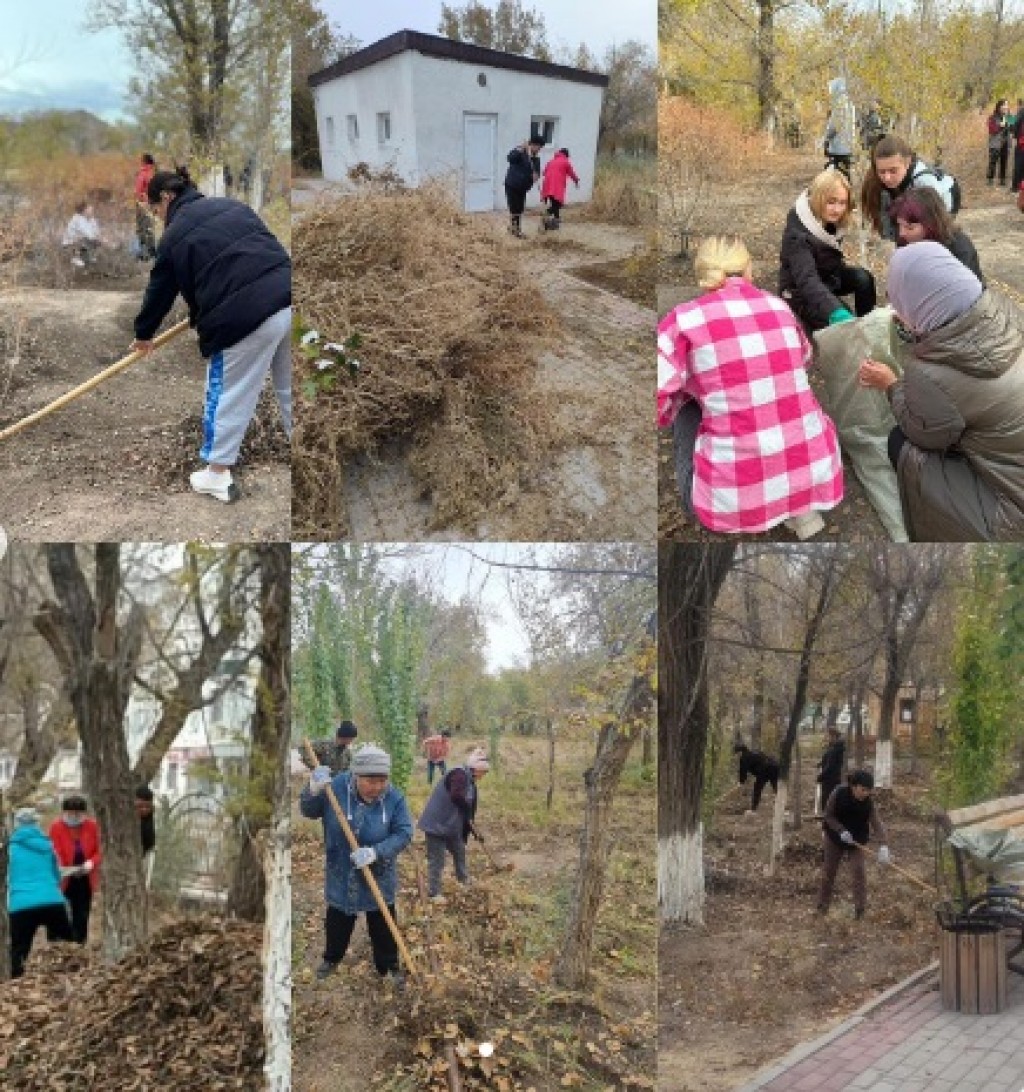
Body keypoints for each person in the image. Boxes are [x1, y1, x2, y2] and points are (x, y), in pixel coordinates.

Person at [658, 235, 844, 539]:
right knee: (779, 393)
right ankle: (799, 505)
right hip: (816, 466)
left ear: (704, 277)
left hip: (731, 497)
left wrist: (689, 392)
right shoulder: (780, 307)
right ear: (749, 271)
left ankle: (744, 497)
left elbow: (659, 401)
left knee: (684, 404)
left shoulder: (682, 320)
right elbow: (804, 359)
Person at [130, 167, 292, 503]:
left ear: (166, 198)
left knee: (227, 392)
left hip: (243, 317)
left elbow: (159, 291)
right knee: (291, 390)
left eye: (156, 210)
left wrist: (143, 334)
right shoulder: (235, 207)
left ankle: (216, 475)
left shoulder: (174, 235)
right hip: (289, 299)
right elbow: (259, 252)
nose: (159, 218)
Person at [859, 241, 1024, 540]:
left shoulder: (929, 375)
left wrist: (891, 384)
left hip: (1012, 509)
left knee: (900, 442)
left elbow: (923, 433)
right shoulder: (1008, 315)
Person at [299, 744, 413, 984]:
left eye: (382, 780)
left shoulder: (394, 798)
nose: (378, 787)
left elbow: (404, 833)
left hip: (378, 874)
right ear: (356, 775)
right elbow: (308, 810)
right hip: (341, 870)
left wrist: (376, 851)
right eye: (371, 781)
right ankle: (332, 958)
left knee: (382, 922)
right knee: (338, 920)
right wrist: (313, 788)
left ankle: (388, 965)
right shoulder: (335, 788)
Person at [779, 168, 877, 331]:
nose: (837, 209)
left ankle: (868, 329)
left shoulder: (827, 220)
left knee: (863, 279)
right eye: (831, 202)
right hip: (799, 293)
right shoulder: (798, 236)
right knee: (844, 322)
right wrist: (835, 310)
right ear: (818, 199)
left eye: (842, 202)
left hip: (826, 278)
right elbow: (807, 280)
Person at [8, 808, 74, 978]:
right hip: (52, 901)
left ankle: (15, 984)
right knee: (66, 947)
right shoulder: (47, 846)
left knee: (19, 950)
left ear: (16, 825)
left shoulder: (8, 849)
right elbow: (57, 875)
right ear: (36, 824)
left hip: (20, 905)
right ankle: (68, 979)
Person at [818, 769, 890, 919]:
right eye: (863, 790)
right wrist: (841, 830)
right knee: (829, 871)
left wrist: (883, 845)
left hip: (857, 840)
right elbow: (828, 816)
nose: (865, 793)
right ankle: (822, 906)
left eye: (868, 791)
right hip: (835, 837)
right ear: (854, 786)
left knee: (858, 871)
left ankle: (860, 909)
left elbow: (877, 823)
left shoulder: (868, 803)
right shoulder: (838, 793)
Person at [418, 748, 490, 898]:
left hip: (451, 827)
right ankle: (434, 892)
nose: (484, 776)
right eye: (484, 772)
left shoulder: (471, 783)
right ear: (476, 769)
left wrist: (474, 832)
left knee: (459, 851)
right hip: (436, 825)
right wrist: (467, 810)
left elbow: (468, 814)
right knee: (437, 860)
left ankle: (463, 880)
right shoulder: (459, 774)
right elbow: (457, 796)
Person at [861, 135, 959, 241]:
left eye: (893, 171)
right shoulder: (876, 182)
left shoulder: (924, 182)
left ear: (907, 163)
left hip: (945, 201)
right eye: (882, 171)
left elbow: (938, 225)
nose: (887, 178)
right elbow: (887, 229)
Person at [890, 187, 984, 283]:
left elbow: (965, 289)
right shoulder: (905, 241)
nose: (901, 233)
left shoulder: (959, 248)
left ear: (931, 224)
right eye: (899, 225)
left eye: (910, 228)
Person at [49, 796, 102, 945]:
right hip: (63, 875)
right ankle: (57, 943)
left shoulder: (92, 826)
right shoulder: (56, 827)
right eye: (70, 813)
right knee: (58, 911)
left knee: (81, 914)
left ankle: (79, 944)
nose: (73, 817)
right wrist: (64, 868)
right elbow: (54, 850)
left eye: (77, 814)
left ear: (84, 814)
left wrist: (91, 863)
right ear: (64, 813)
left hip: (85, 876)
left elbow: (100, 849)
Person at [504, 139, 542, 237]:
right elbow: (510, 158)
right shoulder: (520, 152)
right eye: (537, 146)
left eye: (540, 147)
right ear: (531, 145)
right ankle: (516, 230)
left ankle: (513, 228)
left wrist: (536, 176)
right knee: (514, 208)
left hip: (522, 187)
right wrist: (520, 149)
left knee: (520, 208)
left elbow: (537, 172)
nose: (538, 149)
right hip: (512, 185)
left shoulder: (536, 159)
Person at [540, 148, 579, 230]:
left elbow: (544, 172)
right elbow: (571, 173)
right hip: (556, 186)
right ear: (566, 155)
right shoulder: (565, 162)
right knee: (558, 204)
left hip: (547, 185)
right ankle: (546, 214)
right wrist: (576, 180)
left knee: (554, 204)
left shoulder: (551, 161)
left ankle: (555, 221)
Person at [733, 743, 779, 812]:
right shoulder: (754, 752)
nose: (736, 755)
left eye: (736, 753)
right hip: (775, 766)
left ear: (740, 752)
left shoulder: (744, 758)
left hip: (765, 770)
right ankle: (781, 805)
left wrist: (741, 782)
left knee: (757, 789)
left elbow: (743, 771)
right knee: (775, 786)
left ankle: (753, 809)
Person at [61, 201, 104, 267]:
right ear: (84, 210)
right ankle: (75, 258)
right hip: (71, 243)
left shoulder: (92, 219)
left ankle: (87, 256)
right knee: (85, 239)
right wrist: (101, 239)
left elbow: (97, 231)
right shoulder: (77, 219)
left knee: (97, 242)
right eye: (89, 208)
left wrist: (102, 238)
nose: (92, 210)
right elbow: (88, 234)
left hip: (83, 241)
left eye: (91, 209)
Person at [816, 726, 846, 816]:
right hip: (831, 778)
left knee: (828, 799)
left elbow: (830, 766)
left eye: (828, 736)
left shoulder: (836, 749)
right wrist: (821, 763)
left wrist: (821, 776)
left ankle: (828, 818)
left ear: (834, 736)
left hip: (830, 779)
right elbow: (828, 759)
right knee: (830, 798)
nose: (826, 737)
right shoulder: (833, 747)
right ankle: (828, 816)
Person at [133, 153, 157, 260]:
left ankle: (144, 252)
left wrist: (140, 200)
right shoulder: (152, 173)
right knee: (149, 227)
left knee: (142, 227)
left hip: (143, 204)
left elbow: (138, 190)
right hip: (150, 204)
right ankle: (151, 251)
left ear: (144, 161)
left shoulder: (143, 173)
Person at [987, 99, 1011, 187]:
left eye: (1007, 105)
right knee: (993, 162)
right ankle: (990, 179)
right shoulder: (992, 117)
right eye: (1004, 105)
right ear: (999, 106)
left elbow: (1014, 128)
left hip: (1006, 143)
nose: (1006, 107)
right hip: (995, 144)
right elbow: (991, 130)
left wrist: (1009, 120)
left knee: (1004, 162)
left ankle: (1002, 180)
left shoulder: (1009, 117)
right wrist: (1000, 125)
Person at [135, 785, 156, 856]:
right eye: (140, 806)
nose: (144, 809)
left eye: (147, 806)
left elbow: (150, 843)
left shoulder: (148, 823)